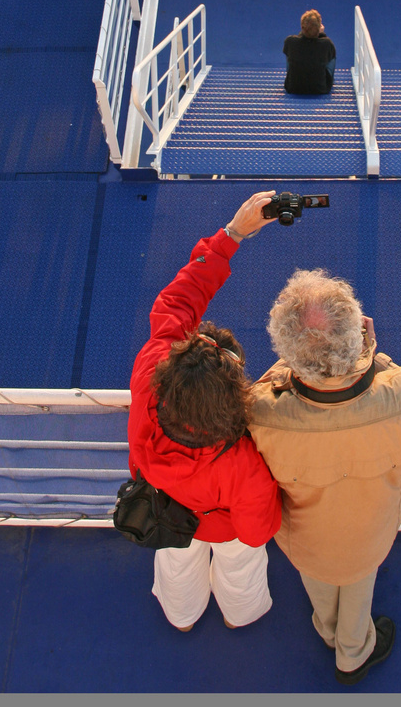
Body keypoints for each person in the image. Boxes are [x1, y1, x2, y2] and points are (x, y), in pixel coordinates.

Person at [248, 269, 401, 685]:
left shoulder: (260, 412)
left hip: (304, 539)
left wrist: (288, 368)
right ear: (357, 335)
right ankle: (353, 654)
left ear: (286, 347)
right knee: (357, 588)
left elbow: (269, 396)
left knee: (319, 583)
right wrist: (375, 357)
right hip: (370, 532)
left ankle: (327, 631)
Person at [128, 191, 281, 633]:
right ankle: (239, 615)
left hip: (164, 511)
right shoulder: (243, 462)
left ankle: (182, 616)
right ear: (233, 398)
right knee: (241, 568)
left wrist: (230, 235)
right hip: (224, 530)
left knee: (175, 566)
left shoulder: (148, 373)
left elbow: (178, 303)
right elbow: (255, 531)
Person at [283, 9, 337, 94]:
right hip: (321, 89)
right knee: (331, 55)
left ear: (302, 27)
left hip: (293, 88)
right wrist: (321, 34)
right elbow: (329, 54)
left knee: (290, 53)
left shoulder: (290, 41)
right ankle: (330, 80)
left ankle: (292, 77)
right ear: (319, 28)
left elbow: (301, 43)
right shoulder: (326, 43)